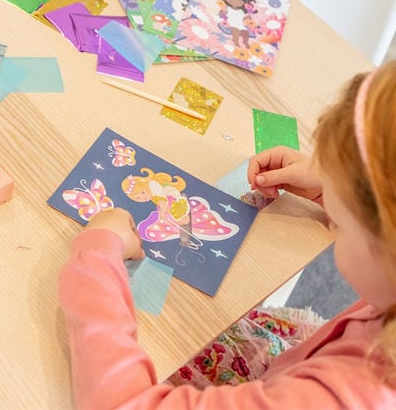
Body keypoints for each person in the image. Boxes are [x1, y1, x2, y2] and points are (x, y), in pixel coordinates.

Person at [58, 61, 396, 408]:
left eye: (339, 223)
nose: (333, 224)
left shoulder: (338, 396)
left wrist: (97, 257)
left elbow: (121, 403)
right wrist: (336, 185)